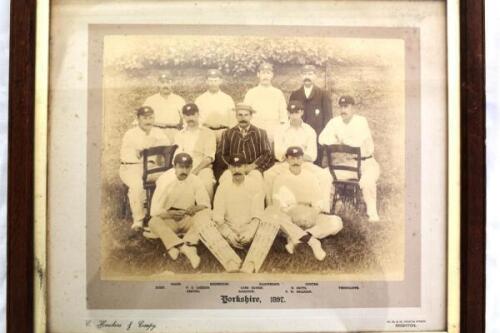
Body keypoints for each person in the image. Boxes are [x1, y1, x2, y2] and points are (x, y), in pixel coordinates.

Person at [200, 155, 323, 273]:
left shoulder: (255, 185)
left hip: (252, 232)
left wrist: (250, 232)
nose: (237, 170)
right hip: (229, 233)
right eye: (233, 166)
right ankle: (230, 261)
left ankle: (252, 263)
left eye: (240, 166)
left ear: (245, 167)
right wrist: (229, 235)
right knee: (202, 216)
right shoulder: (223, 187)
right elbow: (218, 217)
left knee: (273, 212)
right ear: (229, 168)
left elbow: (257, 214)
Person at [270, 146, 343, 259]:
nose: (295, 162)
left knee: (337, 221)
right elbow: (277, 205)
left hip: (310, 216)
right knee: (275, 217)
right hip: (291, 218)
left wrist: (312, 214)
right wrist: (292, 213)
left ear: (302, 159)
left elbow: (319, 202)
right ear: (287, 160)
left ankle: (299, 237)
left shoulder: (311, 177)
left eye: (298, 158)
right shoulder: (280, 178)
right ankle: (313, 242)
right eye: (292, 158)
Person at [319, 95, 381, 222]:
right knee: (324, 175)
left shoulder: (361, 121)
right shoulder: (334, 121)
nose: (343, 110)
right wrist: (338, 140)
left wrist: (339, 140)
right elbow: (322, 138)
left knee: (367, 181)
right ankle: (325, 210)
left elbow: (356, 143)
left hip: (367, 162)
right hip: (349, 163)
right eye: (341, 107)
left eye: (346, 106)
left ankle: (372, 213)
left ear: (353, 108)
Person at [264, 100, 332, 211]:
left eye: (297, 112)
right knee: (268, 175)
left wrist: (294, 154)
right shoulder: (281, 130)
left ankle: (323, 210)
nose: (294, 115)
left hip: (303, 164)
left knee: (325, 176)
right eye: (291, 112)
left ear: (302, 112)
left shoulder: (309, 131)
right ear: (288, 113)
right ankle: (271, 210)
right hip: (285, 163)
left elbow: (312, 156)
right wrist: (295, 154)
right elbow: (278, 153)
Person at [148, 153, 211, 269]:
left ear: (191, 167)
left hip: (187, 218)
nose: (184, 171)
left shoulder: (195, 180)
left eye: (187, 167)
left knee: (207, 215)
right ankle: (185, 247)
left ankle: (188, 243)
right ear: (174, 166)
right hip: (169, 220)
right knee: (153, 222)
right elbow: (154, 211)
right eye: (181, 167)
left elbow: (206, 204)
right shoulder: (165, 180)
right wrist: (168, 214)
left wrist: (196, 208)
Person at [119, 106, 171, 230]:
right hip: (131, 167)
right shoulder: (131, 134)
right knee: (137, 185)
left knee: (168, 179)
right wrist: (153, 142)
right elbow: (140, 151)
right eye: (145, 118)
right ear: (138, 119)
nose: (148, 121)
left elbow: (167, 148)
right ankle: (139, 220)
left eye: (151, 118)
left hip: (150, 167)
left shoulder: (158, 131)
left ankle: (160, 214)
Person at [218, 103, 274, 184]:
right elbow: (222, 154)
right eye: (240, 115)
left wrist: (252, 166)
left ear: (251, 116)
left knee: (256, 181)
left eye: (246, 115)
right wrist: (232, 167)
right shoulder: (227, 133)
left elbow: (267, 153)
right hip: (233, 168)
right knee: (225, 180)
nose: (243, 118)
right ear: (236, 116)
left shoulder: (260, 133)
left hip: (254, 168)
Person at [289, 64, 333, 166]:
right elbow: (290, 116)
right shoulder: (295, 94)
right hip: (298, 137)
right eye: (304, 74)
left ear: (315, 76)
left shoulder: (323, 94)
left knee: (316, 167)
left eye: (310, 74)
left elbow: (328, 119)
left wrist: (324, 138)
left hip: (317, 138)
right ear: (301, 76)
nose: (307, 76)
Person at [174, 103, 216, 199]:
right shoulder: (180, 134)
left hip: (202, 166)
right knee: (168, 180)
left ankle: (206, 210)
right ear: (183, 116)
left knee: (206, 182)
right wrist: (182, 170)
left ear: (198, 115)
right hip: (183, 166)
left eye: (193, 114)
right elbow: (177, 154)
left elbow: (209, 158)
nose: (190, 118)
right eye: (187, 115)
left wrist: (194, 171)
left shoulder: (208, 133)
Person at [243, 62, 288, 140]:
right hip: (255, 131)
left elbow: (283, 116)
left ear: (272, 75)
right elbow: (244, 115)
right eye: (263, 73)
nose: (265, 76)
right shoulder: (251, 93)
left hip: (273, 132)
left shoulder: (278, 93)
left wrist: (281, 133)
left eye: (268, 73)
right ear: (258, 74)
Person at [143, 72, 185, 142]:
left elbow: (185, 119)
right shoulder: (150, 100)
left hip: (174, 132)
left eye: (168, 82)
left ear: (173, 84)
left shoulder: (179, 100)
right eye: (162, 82)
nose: (165, 85)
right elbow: (142, 120)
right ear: (158, 84)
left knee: (175, 152)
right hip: (156, 132)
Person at [194, 68, 236, 141]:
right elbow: (197, 119)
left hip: (223, 133)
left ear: (220, 81)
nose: (213, 83)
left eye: (215, 81)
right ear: (206, 81)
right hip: (206, 133)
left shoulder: (227, 98)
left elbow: (233, 120)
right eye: (210, 81)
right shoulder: (200, 99)